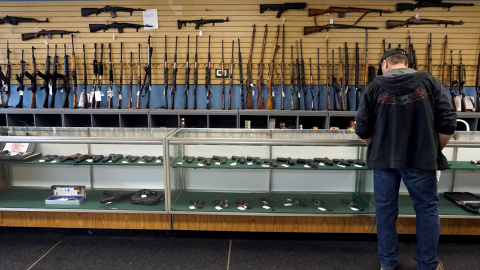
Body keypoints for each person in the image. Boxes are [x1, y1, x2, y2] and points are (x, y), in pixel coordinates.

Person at [355, 48, 457, 270]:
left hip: (383, 161)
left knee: (385, 211)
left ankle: (387, 263)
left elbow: (362, 128)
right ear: (406, 63)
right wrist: (431, 149)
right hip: (421, 159)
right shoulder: (431, 82)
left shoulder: (374, 86)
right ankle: (428, 264)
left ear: (384, 65)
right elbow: (448, 123)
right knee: (427, 209)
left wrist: (379, 146)